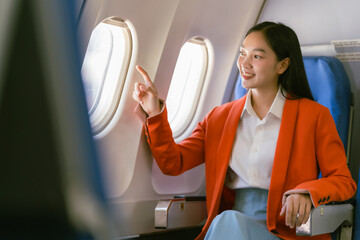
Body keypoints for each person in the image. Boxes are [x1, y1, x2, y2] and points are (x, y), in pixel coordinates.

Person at [132, 21, 356, 240]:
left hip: (286, 232)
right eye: (242, 53)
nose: (244, 63)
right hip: (232, 226)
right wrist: (154, 113)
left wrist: (307, 192)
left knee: (228, 221)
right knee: (228, 221)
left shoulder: (314, 116)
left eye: (257, 56)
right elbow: (173, 162)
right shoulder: (219, 118)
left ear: (282, 65)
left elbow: (344, 181)